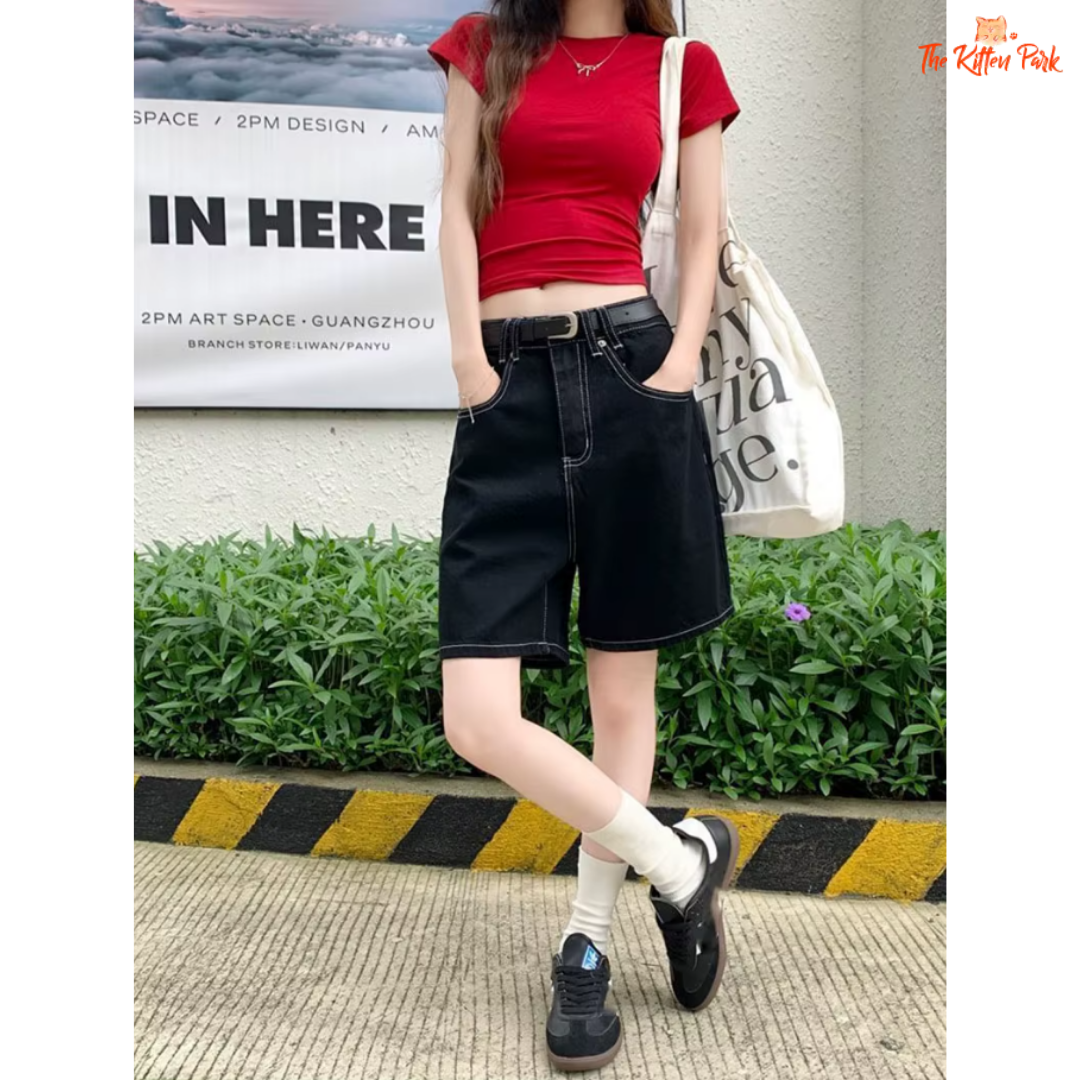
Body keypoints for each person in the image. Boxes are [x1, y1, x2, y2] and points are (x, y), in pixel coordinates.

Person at [428, 0, 741, 1070]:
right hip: (505, 387)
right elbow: (455, 203)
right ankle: (682, 864)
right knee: (477, 715)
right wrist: (469, 362)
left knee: (621, 693)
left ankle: (588, 943)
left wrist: (680, 361)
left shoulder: (681, 65)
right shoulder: (483, 46)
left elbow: (701, 232)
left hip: (632, 372)